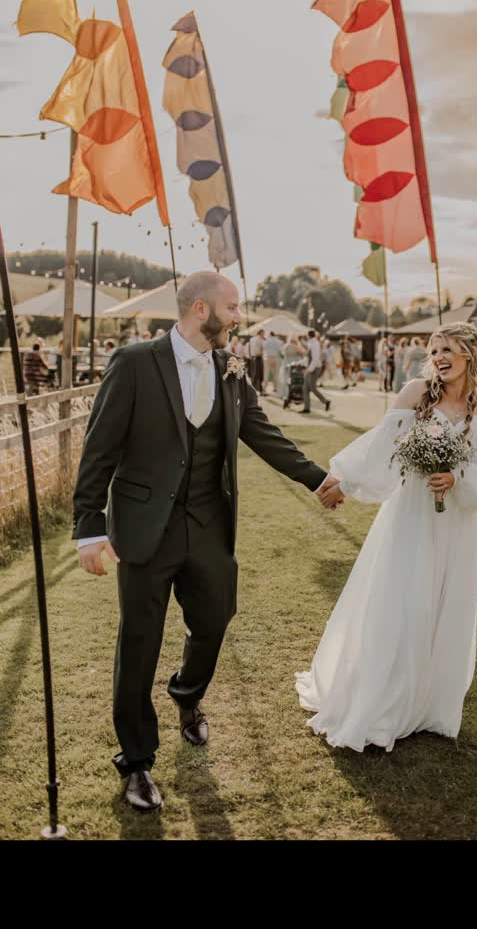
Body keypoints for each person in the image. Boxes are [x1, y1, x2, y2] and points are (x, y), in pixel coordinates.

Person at [73, 271, 343, 812]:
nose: (239, 316)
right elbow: (98, 448)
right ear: (201, 309)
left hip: (208, 524)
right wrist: (89, 527)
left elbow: (262, 433)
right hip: (143, 529)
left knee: (216, 619)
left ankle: (187, 694)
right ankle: (137, 761)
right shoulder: (134, 363)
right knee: (139, 642)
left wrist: (317, 478)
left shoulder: (231, 368)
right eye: (233, 307)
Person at [297, 323, 477, 752]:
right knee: (402, 597)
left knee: (441, 603)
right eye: (434, 350)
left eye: (447, 349)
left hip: (456, 523)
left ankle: (427, 702)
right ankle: (383, 697)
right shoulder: (415, 392)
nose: (438, 357)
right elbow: (381, 449)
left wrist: (457, 477)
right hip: (410, 514)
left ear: (468, 354)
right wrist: (344, 481)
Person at [301, 330, 331, 414]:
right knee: (305, 388)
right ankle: (307, 408)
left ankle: (326, 401)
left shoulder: (315, 344)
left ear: (308, 335)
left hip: (315, 368)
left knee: (312, 387)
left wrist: (308, 370)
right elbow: (309, 357)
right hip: (313, 368)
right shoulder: (312, 343)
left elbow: (315, 359)